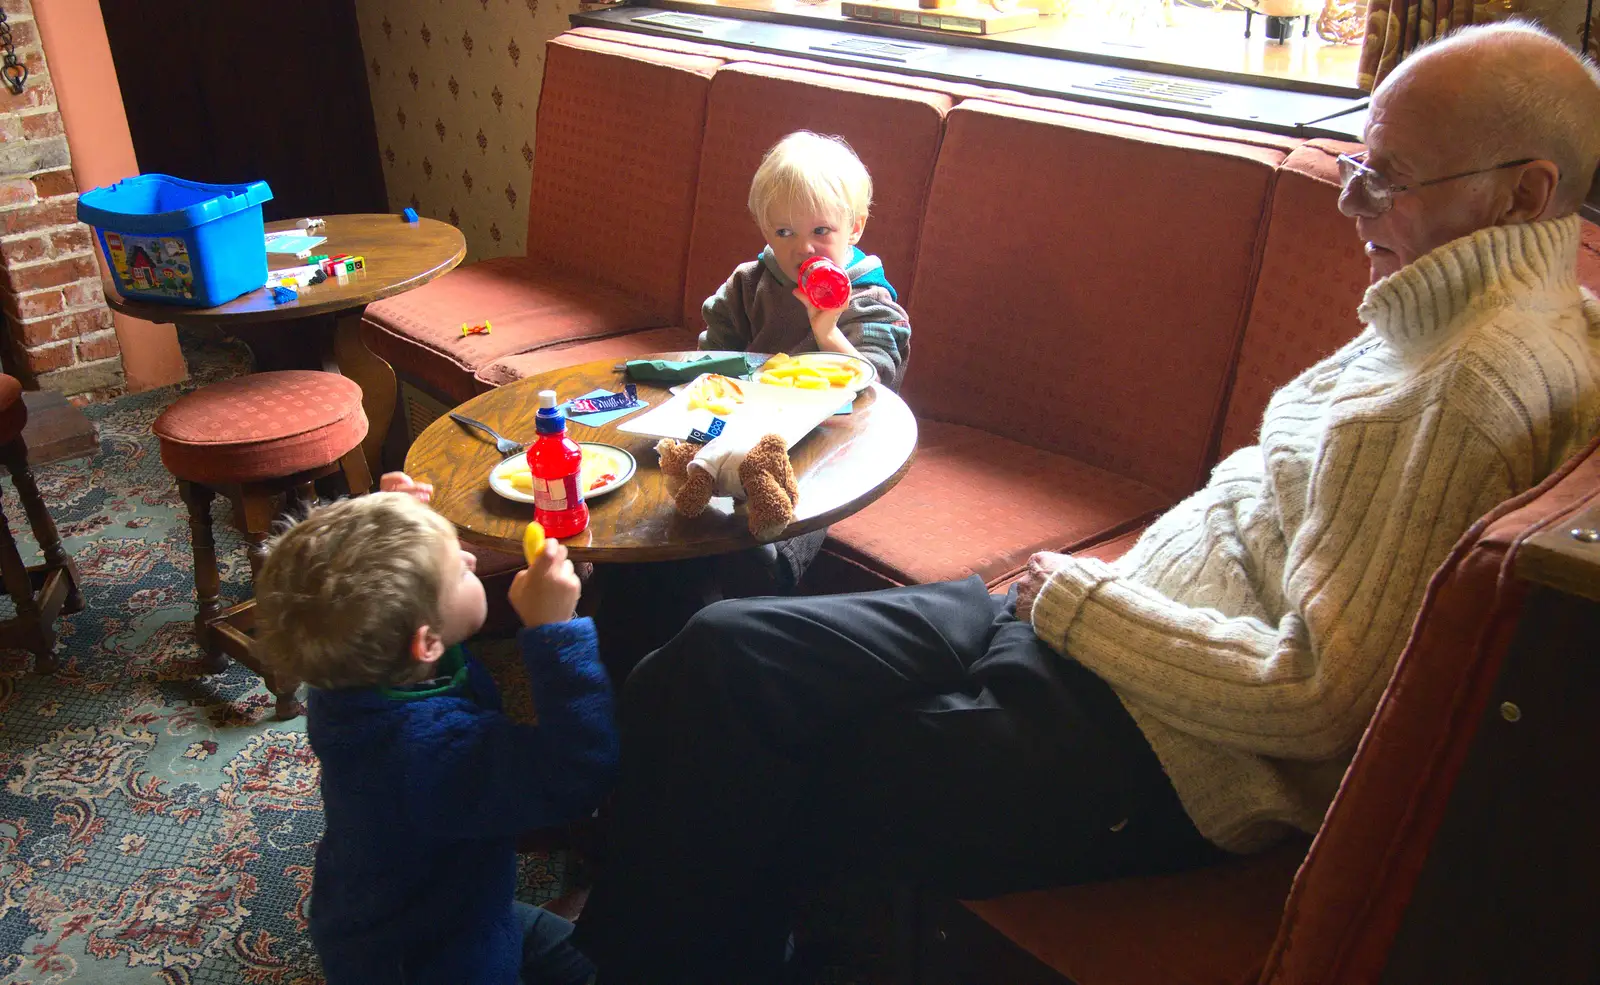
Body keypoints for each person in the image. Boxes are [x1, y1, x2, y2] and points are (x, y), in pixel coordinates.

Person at [573, 22, 1600, 983]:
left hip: (1156, 749)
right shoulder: (1444, 314)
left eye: (1388, 180)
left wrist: (1081, 604)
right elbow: (1268, 505)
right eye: (1356, 168)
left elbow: (1321, 699)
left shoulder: (1473, 381)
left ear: (1524, 193)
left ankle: (625, 950)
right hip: (1096, 632)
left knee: (745, 741)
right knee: (718, 652)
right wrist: (1085, 601)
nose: (1352, 205)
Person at [254, 474, 617, 985]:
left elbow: (359, 592)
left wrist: (395, 524)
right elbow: (578, 774)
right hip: (435, 956)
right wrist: (554, 634)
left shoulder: (355, 665)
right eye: (458, 569)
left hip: (421, 908)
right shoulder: (430, 753)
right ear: (426, 643)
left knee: (594, 958)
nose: (472, 561)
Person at [597, 131, 915, 676]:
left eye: (822, 231)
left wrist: (828, 330)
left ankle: (770, 562)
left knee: (808, 482)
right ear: (765, 232)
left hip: (832, 434)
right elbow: (713, 350)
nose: (803, 249)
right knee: (675, 472)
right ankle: (653, 586)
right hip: (747, 421)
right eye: (784, 232)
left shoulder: (868, 296)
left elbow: (877, 382)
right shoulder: (751, 282)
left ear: (855, 228)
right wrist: (711, 384)